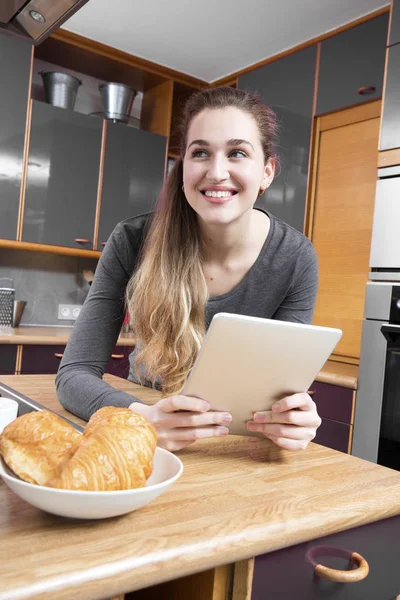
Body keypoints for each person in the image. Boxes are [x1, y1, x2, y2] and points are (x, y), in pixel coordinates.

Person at [56, 86, 321, 452]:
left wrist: (294, 419)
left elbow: (279, 391)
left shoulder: (296, 258)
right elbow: (73, 375)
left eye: (237, 153)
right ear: (183, 168)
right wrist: (143, 418)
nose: (216, 172)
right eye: (200, 153)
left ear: (267, 171)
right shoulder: (132, 241)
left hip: (235, 447)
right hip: (150, 430)